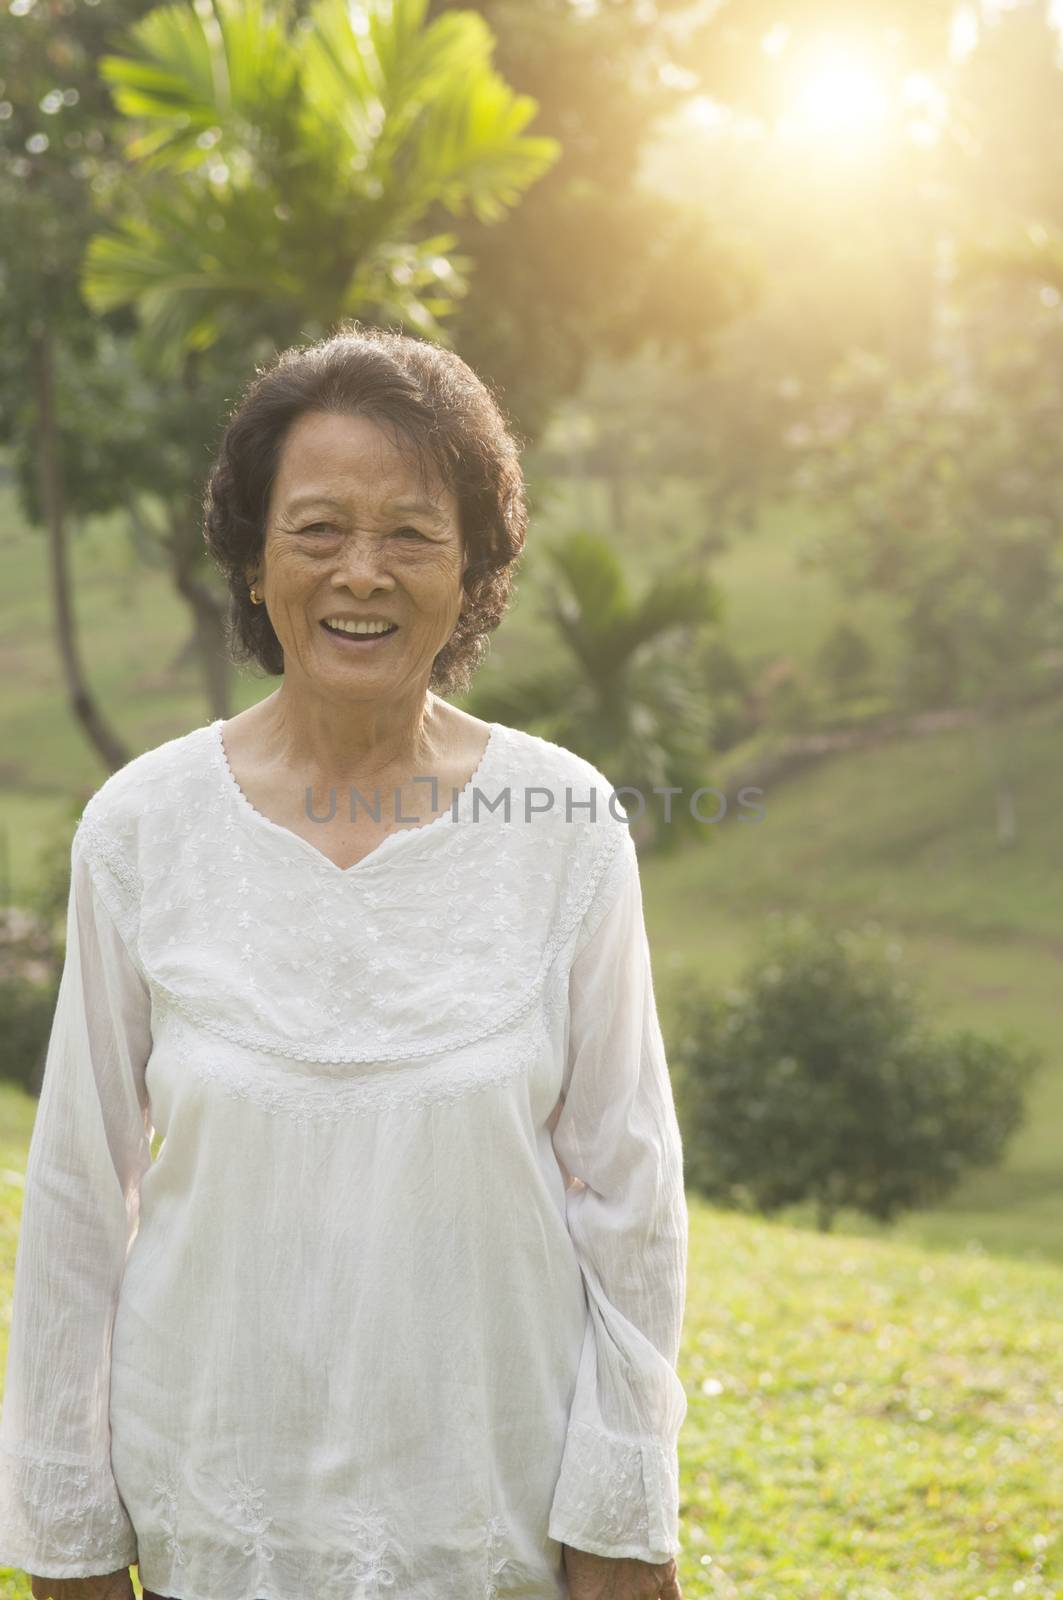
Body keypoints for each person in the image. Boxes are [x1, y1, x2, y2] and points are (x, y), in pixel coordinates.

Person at [0, 326, 688, 1600]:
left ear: (473, 565)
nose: (359, 573)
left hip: (491, 1519)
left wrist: (622, 1518)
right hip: (213, 1515)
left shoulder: (566, 824)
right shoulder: (144, 828)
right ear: (254, 565)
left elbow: (631, 1200)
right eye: (315, 529)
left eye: (411, 533)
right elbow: (81, 1205)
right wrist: (66, 1539)